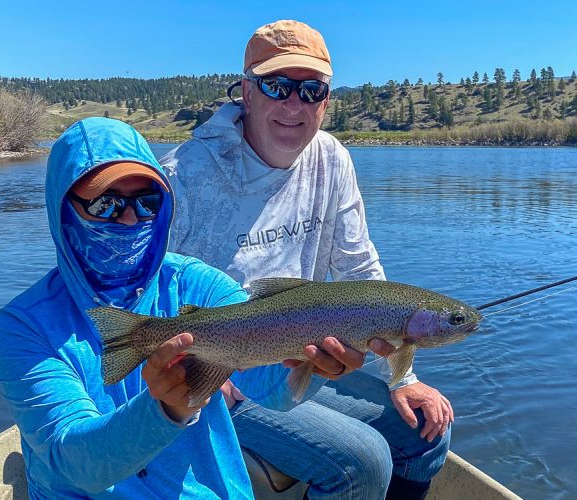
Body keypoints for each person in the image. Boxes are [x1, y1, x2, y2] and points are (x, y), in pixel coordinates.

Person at [0, 117, 368, 498]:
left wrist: (313, 362)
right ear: (64, 211)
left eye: (146, 202)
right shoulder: (22, 329)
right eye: (107, 205)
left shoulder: (196, 285)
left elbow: (271, 393)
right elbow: (78, 464)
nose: (131, 218)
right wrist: (165, 411)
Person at [162, 20, 452, 499]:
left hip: (303, 357)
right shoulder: (181, 176)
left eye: (311, 90)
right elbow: (148, 287)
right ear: (247, 92)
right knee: (363, 461)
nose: (293, 105)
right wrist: (198, 371)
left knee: (427, 434)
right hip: (218, 370)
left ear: (326, 101)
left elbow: (362, 276)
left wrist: (405, 378)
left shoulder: (332, 159)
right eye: (277, 86)